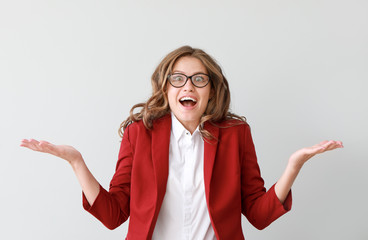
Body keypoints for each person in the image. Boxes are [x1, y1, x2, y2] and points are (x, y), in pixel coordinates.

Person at [21, 45, 343, 240]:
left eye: (199, 79)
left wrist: (293, 166)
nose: (188, 85)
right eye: (178, 78)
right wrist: (77, 162)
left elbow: (258, 215)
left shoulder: (234, 135)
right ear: (166, 90)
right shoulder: (139, 134)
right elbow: (114, 214)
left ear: (211, 91)